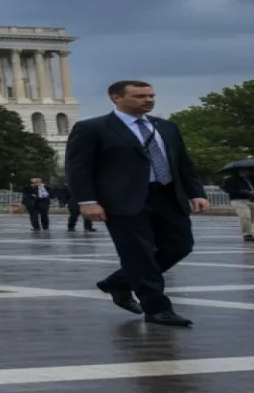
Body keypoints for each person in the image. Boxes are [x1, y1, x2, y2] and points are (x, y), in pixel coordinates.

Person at [66, 80, 210, 327]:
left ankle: (119, 282)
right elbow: (78, 168)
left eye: (151, 95)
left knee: (181, 245)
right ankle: (157, 309)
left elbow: (183, 163)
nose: (148, 100)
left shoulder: (166, 127)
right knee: (138, 254)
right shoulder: (93, 128)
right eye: (140, 96)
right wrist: (87, 201)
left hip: (167, 196)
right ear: (116, 98)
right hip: (123, 201)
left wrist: (196, 192)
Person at [220, 168, 254, 242]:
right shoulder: (231, 179)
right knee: (245, 216)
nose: (244, 172)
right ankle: (247, 234)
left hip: (253, 200)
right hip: (238, 199)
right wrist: (247, 192)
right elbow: (228, 190)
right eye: (242, 170)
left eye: (246, 170)